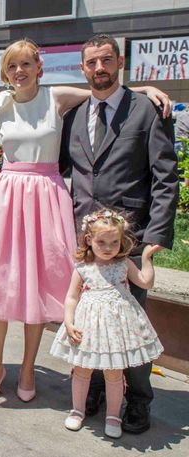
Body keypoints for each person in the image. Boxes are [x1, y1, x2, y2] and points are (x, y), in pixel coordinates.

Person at [0, 39, 170, 403]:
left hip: (45, 197)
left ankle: (27, 370)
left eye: (26, 64)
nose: (19, 72)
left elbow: (104, 91)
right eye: (11, 66)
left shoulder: (59, 97)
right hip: (7, 198)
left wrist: (144, 90)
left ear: (39, 67)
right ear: (5, 73)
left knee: (38, 285)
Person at [60, 34, 178, 434]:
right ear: (82, 68)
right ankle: (92, 392)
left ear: (120, 61)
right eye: (92, 62)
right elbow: (59, 170)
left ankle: (138, 401)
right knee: (90, 324)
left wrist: (157, 234)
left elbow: (165, 176)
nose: (99, 69)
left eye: (106, 61)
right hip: (87, 246)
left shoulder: (146, 110)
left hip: (128, 242)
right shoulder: (74, 116)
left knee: (132, 328)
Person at [50, 209, 164, 439]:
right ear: (89, 240)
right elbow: (72, 297)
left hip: (116, 329)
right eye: (101, 241)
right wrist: (69, 322)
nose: (108, 247)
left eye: (114, 241)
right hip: (89, 326)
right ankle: (77, 410)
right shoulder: (83, 266)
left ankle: (113, 415)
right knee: (82, 369)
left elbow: (145, 282)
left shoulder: (123, 264)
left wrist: (146, 259)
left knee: (114, 372)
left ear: (121, 241)